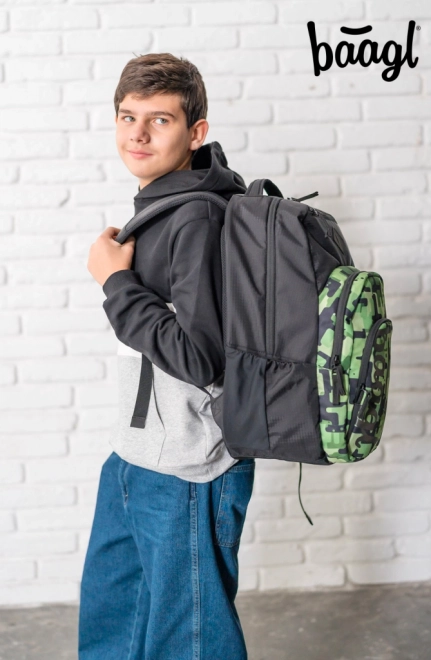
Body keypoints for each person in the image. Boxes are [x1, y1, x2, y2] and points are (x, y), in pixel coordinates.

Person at [78, 52, 256, 660]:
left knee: (189, 643)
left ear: (195, 132)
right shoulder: (161, 204)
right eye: (128, 117)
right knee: (113, 627)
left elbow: (199, 356)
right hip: (135, 455)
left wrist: (115, 282)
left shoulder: (198, 216)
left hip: (189, 468)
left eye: (160, 120)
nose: (138, 134)